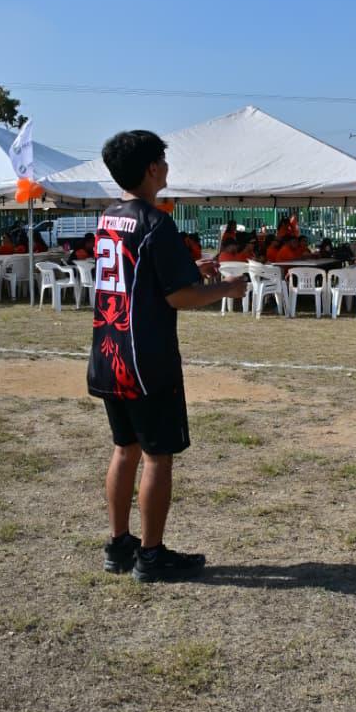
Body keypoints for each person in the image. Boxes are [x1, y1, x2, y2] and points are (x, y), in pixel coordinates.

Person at [88, 130, 247, 584]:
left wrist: (189, 270)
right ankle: (152, 555)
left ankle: (119, 544)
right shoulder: (156, 223)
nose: (167, 167)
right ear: (153, 169)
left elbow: (140, 272)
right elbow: (179, 297)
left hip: (108, 352)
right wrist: (226, 289)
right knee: (158, 456)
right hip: (147, 359)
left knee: (125, 448)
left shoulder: (109, 219)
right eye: (163, 160)